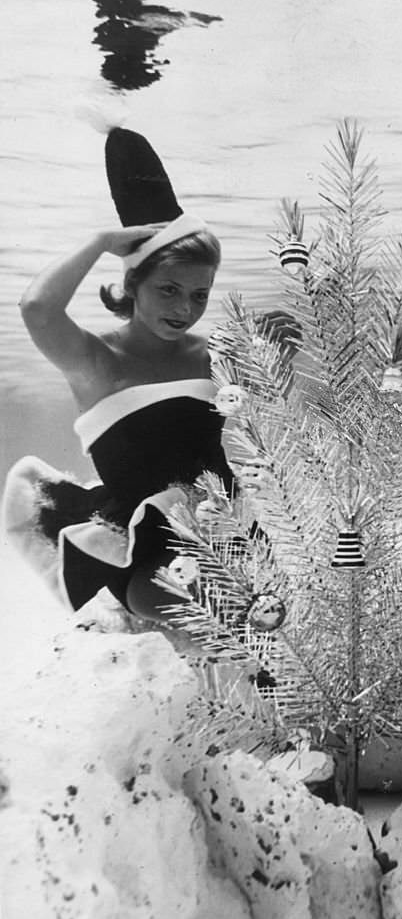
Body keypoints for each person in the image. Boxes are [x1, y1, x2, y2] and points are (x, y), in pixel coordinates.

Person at [1, 126, 233, 621]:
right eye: (168, 289)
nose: (185, 308)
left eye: (199, 295)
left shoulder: (212, 352)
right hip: (141, 550)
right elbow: (38, 307)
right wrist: (101, 241)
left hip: (225, 530)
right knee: (205, 631)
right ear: (133, 283)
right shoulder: (96, 360)